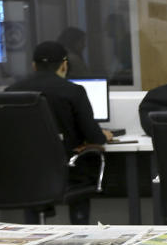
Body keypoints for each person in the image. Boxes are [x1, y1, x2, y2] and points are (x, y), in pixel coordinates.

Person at [6, 41, 112, 225]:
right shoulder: (73, 91)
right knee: (81, 175)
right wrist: (104, 135)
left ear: (34, 66)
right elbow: (95, 137)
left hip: (25, 173)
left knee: (33, 182)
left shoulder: (11, 91)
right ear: (64, 65)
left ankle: (32, 233)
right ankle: (81, 236)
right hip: (67, 172)